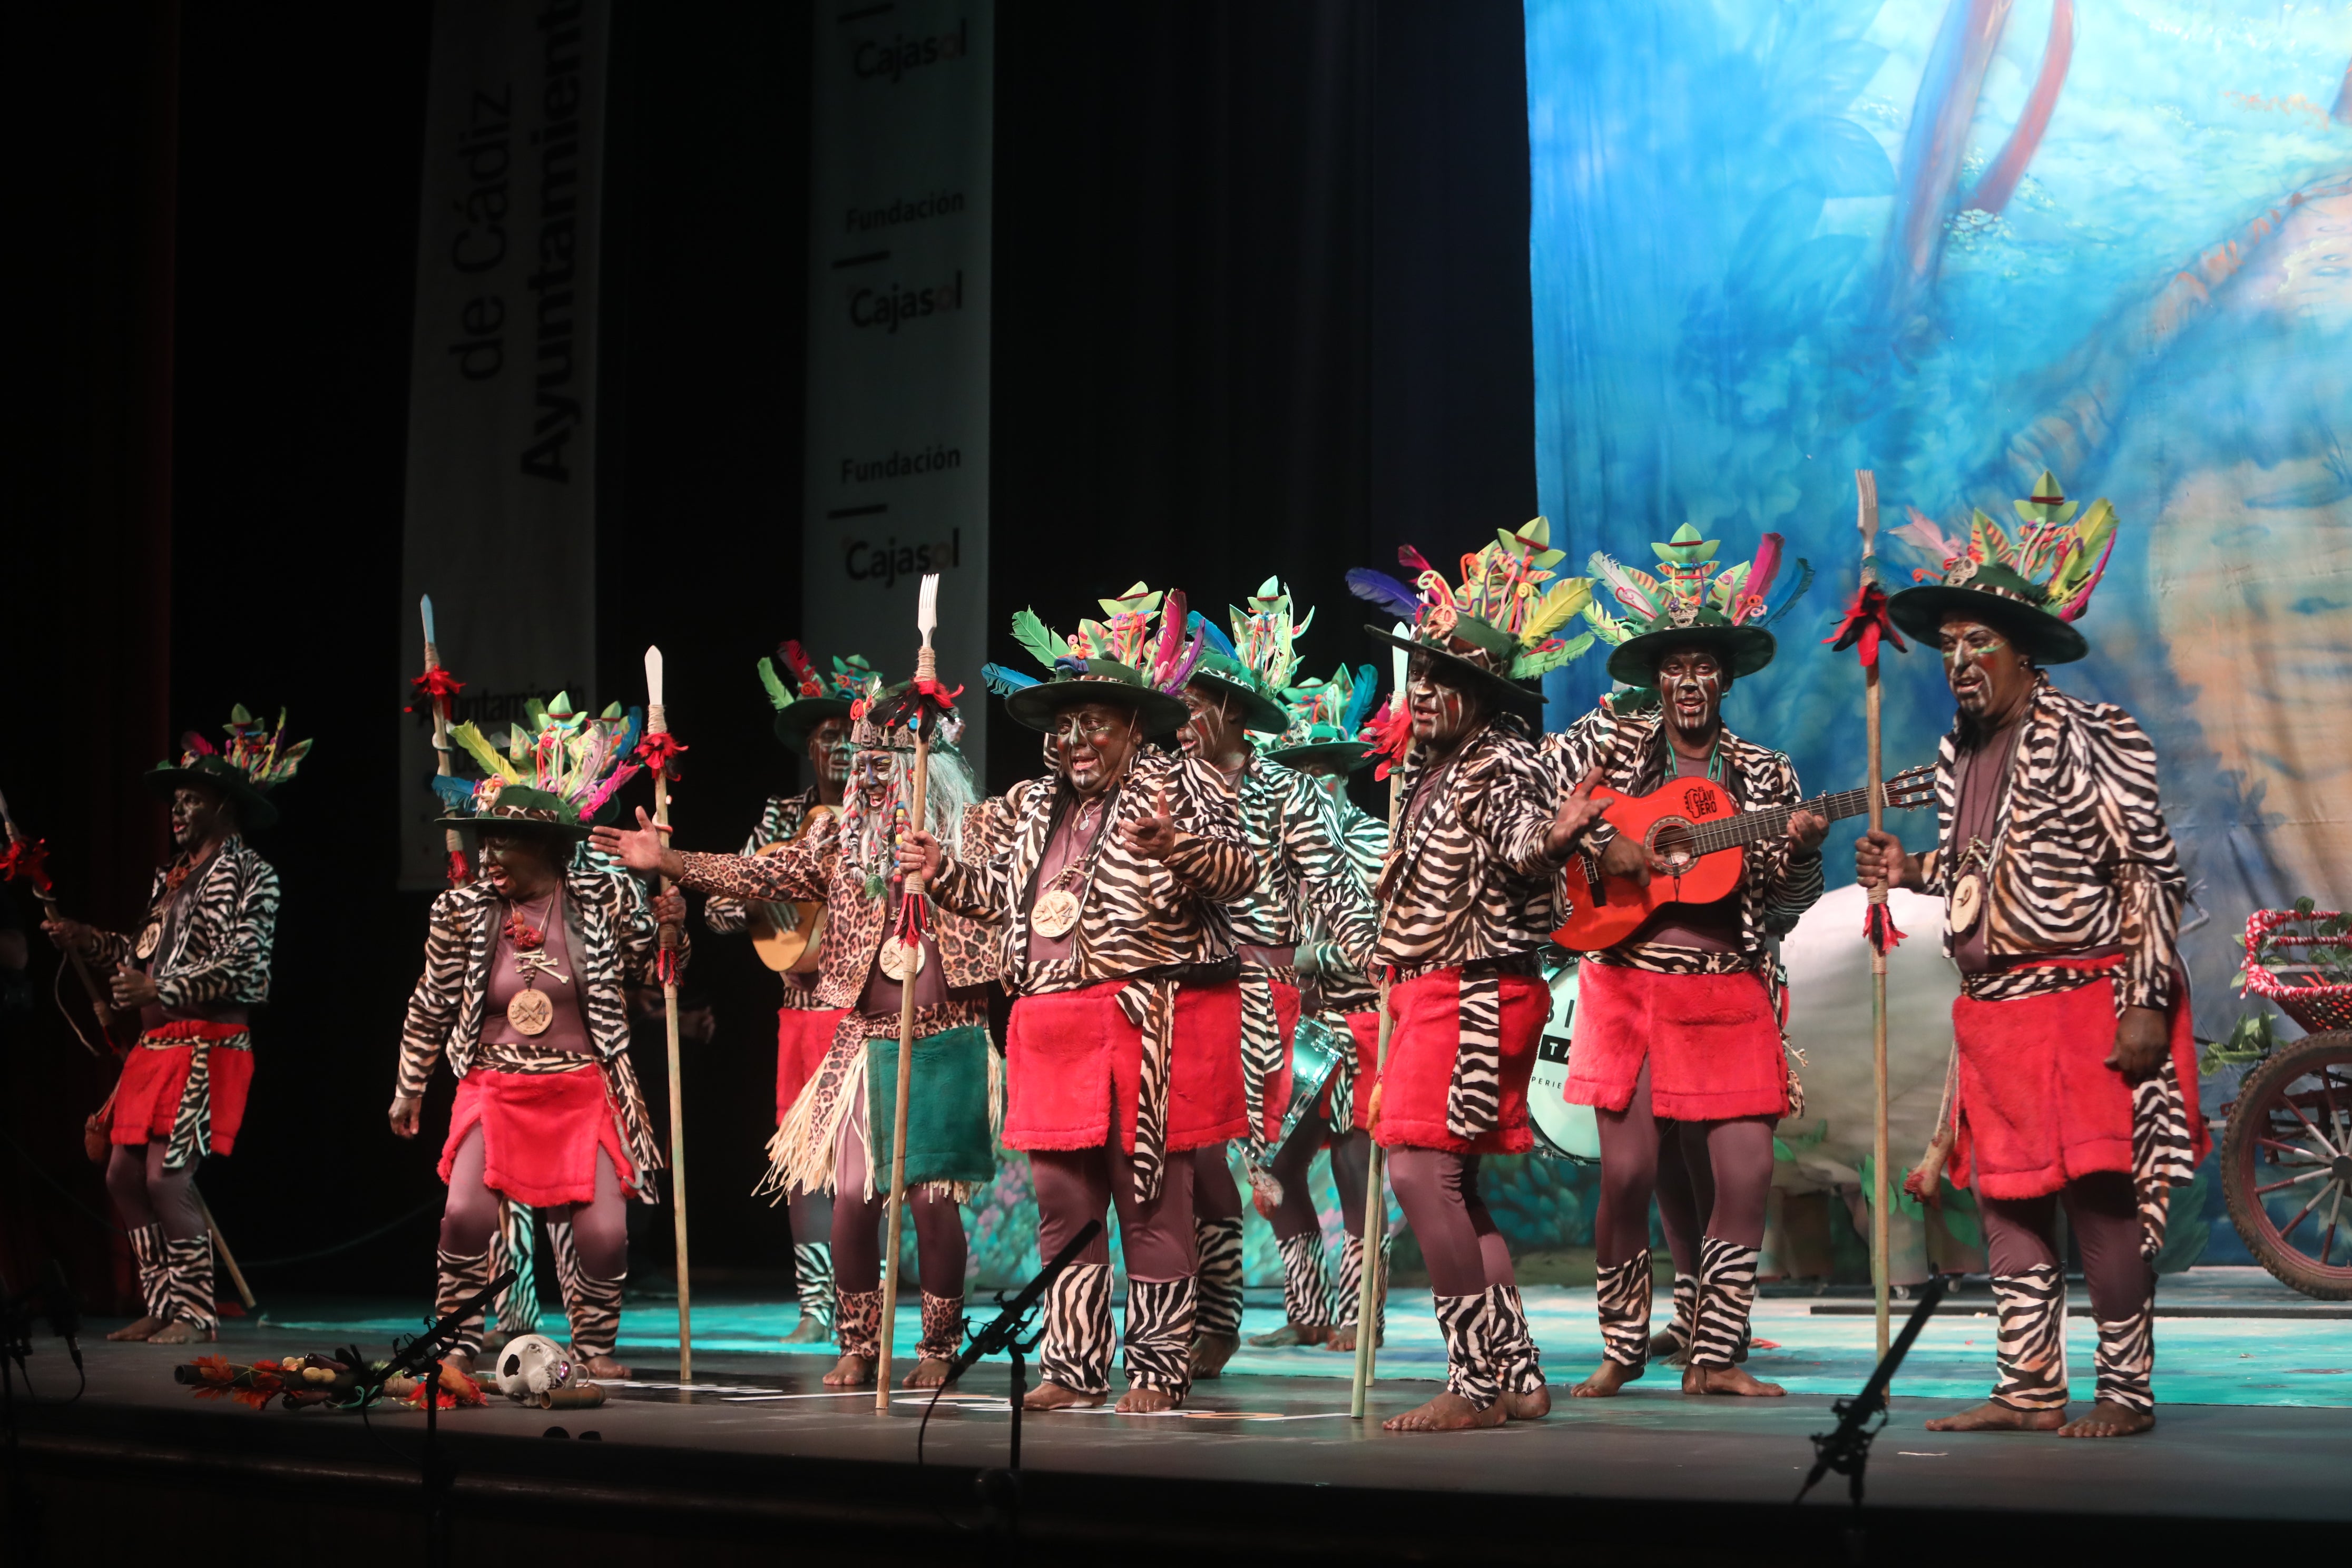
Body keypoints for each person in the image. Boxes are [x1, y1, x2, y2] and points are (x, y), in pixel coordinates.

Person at [1859, 475, 2201, 1439]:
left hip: (2082, 997)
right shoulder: (1952, 752)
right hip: (1994, 1011)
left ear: (2021, 653)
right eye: (1948, 647)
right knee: (2005, 1203)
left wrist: (2140, 1001)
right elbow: (1983, 876)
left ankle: (2125, 1394)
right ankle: (2027, 1385)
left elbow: (2145, 869)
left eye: (1979, 644)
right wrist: (1910, 864)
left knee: (2098, 1193)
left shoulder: (2089, 734)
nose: (1959, 662)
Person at [904, 588, 1256, 1413]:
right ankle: (1074, 1365)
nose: (1071, 741)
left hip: (1140, 1018)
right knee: (1062, 1201)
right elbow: (1002, 896)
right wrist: (939, 869)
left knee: (1149, 1199)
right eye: (1061, 728)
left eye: (1092, 722)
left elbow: (1246, 874)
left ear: (1135, 724)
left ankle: (1163, 1368)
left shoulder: (1185, 783)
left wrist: (1179, 846)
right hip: (1047, 1022)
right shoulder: (1034, 805)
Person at [599, 680, 1001, 1390]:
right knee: (851, 1200)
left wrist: (941, 873)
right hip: (862, 1037)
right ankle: (859, 1341)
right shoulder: (838, 851)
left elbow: (1001, 905)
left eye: (887, 770)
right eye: (866, 773)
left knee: (932, 1205)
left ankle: (939, 1346)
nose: (872, 784)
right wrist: (671, 863)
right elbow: (756, 873)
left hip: (944, 1037)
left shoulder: (969, 837)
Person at [1546, 524, 1823, 1401]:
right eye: (1674, 668)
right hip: (1627, 989)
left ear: (1725, 679)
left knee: (1744, 1173)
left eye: (1705, 666)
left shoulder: (1763, 776)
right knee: (1627, 1172)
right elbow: (1553, 856)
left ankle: (1713, 1355)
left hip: (1726, 991)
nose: (1689, 682)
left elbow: (1783, 906)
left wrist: (1806, 851)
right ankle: (1624, 1345)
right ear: (1654, 680)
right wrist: (1607, 857)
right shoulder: (1611, 761)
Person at [1346, 519, 1606, 1431]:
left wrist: (1557, 836)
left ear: (1477, 694)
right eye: (1419, 679)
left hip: (1468, 989)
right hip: (1435, 990)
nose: (1422, 695)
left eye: (1441, 682)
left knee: (1421, 1178)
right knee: (1454, 1186)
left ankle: (1471, 1382)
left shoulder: (1490, 759)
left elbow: (1522, 843)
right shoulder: (1427, 770)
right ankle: (1516, 1374)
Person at [390, 699, 680, 1379]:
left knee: (605, 1234)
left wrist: (672, 920)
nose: (488, 855)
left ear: (550, 847)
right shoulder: (459, 910)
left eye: (503, 843)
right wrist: (408, 1089)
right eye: (483, 841)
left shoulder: (603, 896)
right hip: (493, 1084)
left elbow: (658, 971)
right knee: (464, 1214)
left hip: (587, 1086)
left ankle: (595, 1348)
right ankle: (459, 1341)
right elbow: (429, 1003)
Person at [47, 707, 306, 1344]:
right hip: (156, 1048)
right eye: (177, 801)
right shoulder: (170, 879)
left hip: (207, 1046)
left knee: (167, 1177)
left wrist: (161, 988)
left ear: (225, 805)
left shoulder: (255, 877)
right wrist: (87, 940)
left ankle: (196, 1313)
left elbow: (248, 971)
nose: (178, 810)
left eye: (192, 799)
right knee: (119, 1174)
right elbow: (143, 952)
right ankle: (162, 1302)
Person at [1173, 582, 1377, 1368]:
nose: (1187, 719)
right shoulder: (1171, 790)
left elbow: (1344, 904)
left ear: (1232, 710)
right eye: (1181, 703)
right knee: (1211, 1161)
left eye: (1199, 704)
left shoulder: (1294, 800)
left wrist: (1362, 954)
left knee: (1337, 1161)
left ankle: (1357, 1314)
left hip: (1287, 1005)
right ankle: (1233, 1315)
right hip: (1189, 995)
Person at [701, 643, 876, 1344]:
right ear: (808, 747)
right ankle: (814, 1305)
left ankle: (867, 1292)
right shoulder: (780, 820)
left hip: (869, 1009)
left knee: (866, 1168)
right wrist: (758, 904)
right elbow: (720, 907)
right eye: (824, 736)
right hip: (803, 1009)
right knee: (806, 1166)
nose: (836, 747)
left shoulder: (884, 816)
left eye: (847, 735)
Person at [1261, 662, 1391, 1355]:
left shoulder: (1372, 842)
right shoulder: (1277, 857)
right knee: (1278, 1170)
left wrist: (1310, 960)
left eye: (1320, 772)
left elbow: (1379, 946)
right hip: (1294, 1026)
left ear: (1340, 776)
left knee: (1352, 1169)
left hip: (1356, 1021)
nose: (1309, 785)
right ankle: (1306, 1307)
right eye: (1297, 772)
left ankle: (1359, 1315)